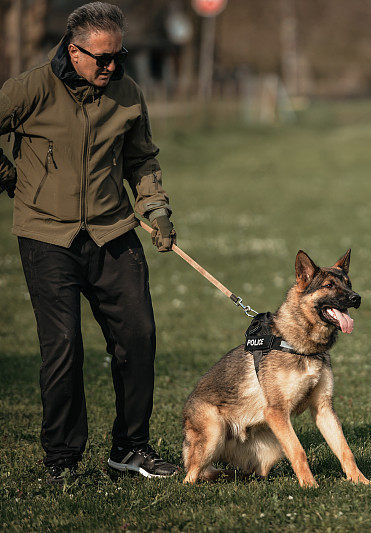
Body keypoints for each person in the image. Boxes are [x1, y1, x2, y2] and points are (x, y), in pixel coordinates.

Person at [0, 2, 180, 483]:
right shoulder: (30, 89)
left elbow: (142, 159)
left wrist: (156, 208)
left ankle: (130, 450)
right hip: (46, 234)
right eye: (102, 58)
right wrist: (8, 176)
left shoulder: (127, 93)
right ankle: (61, 459)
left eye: (119, 55)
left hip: (112, 231)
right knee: (62, 345)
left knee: (138, 338)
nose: (112, 66)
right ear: (73, 50)